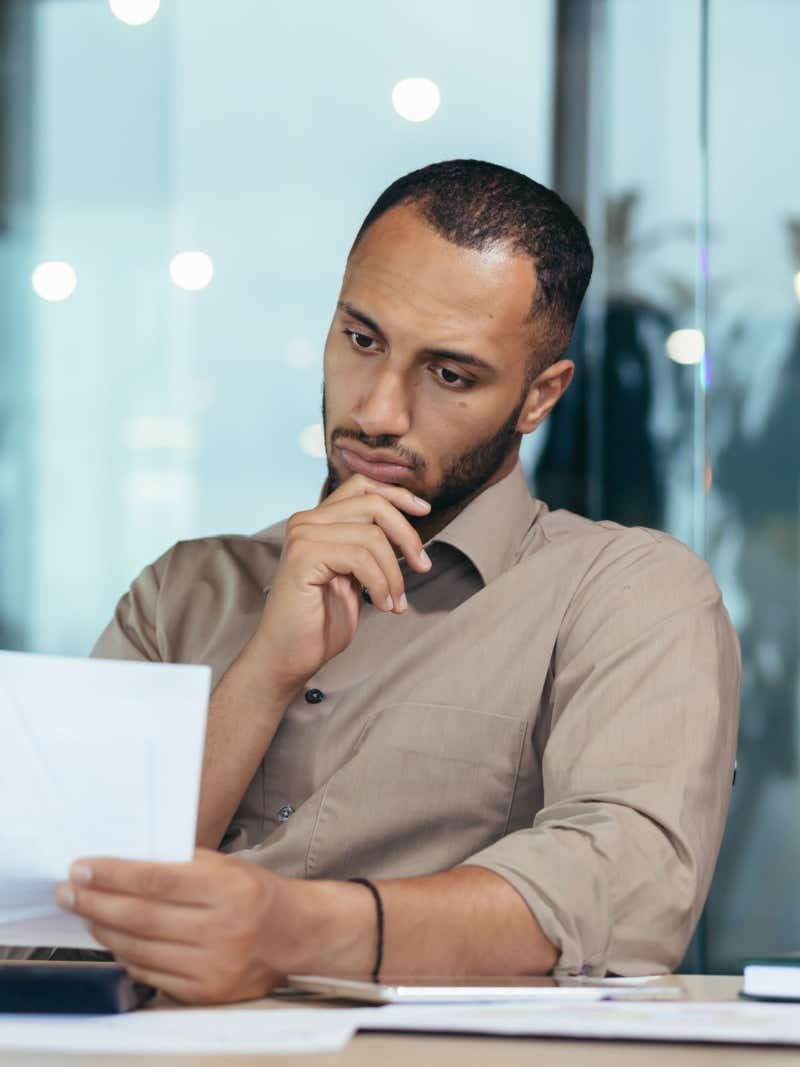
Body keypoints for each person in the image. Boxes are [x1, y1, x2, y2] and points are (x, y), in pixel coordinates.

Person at [46, 159, 741, 1004]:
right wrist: (263, 672)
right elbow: (36, 924)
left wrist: (293, 930)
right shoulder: (184, 591)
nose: (377, 410)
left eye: (450, 374)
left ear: (539, 396)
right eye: (362, 339)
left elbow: (627, 893)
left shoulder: (627, 593)